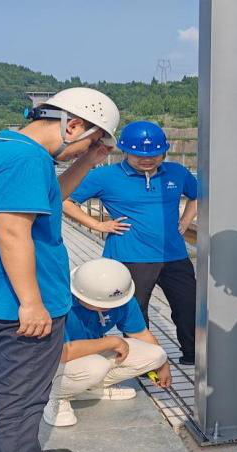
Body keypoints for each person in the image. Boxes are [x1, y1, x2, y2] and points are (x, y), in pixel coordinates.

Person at [0, 87, 119, 452]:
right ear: (73, 125)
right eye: (90, 141)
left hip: (0, 298)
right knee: (22, 399)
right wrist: (31, 302)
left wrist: (87, 161)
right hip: (22, 305)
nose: (85, 150)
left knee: (10, 391)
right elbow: (11, 231)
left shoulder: (1, 150)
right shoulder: (26, 160)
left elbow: (51, 198)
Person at [63, 121, 198, 364]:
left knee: (188, 306)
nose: (147, 160)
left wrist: (185, 221)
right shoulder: (105, 176)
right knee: (136, 312)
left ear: (164, 152)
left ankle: (192, 355)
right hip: (129, 256)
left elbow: (198, 196)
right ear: (125, 151)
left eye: (154, 154)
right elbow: (66, 200)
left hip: (174, 255)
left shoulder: (176, 172)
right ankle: (145, 363)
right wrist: (97, 225)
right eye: (139, 156)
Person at [44, 258, 172, 427]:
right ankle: (55, 396)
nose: (109, 308)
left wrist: (163, 365)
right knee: (97, 366)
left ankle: (87, 388)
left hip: (88, 352)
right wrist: (111, 342)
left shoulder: (121, 299)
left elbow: (141, 334)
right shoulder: (60, 303)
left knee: (157, 354)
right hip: (51, 361)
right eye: (102, 305)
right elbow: (62, 353)